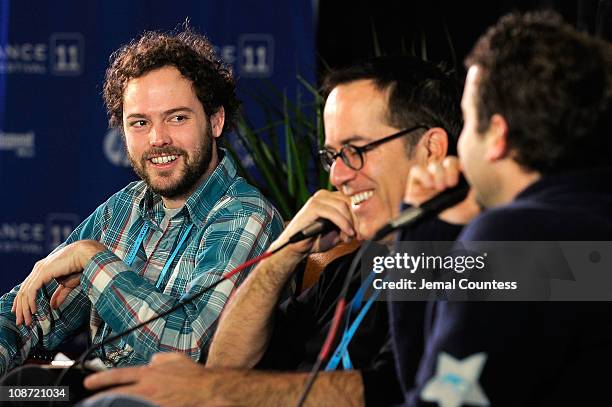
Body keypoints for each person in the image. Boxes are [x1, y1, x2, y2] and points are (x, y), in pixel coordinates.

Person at [82, 55, 464, 406]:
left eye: (356, 150)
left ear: (431, 149)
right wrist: (282, 252)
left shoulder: (480, 260)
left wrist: (210, 389)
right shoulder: (350, 272)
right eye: (333, 156)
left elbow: (399, 389)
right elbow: (228, 362)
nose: (338, 174)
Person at [0, 28, 284, 375]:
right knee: (23, 390)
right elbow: (28, 316)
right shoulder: (125, 208)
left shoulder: (245, 215)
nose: (157, 138)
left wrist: (92, 260)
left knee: (29, 388)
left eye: (177, 118)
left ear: (215, 120)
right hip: (90, 390)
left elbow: (188, 351)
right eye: (140, 123)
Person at [389, 11, 612, 406]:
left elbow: (437, 397)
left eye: (469, 119)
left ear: (497, 135)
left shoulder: (511, 240)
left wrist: (419, 237)